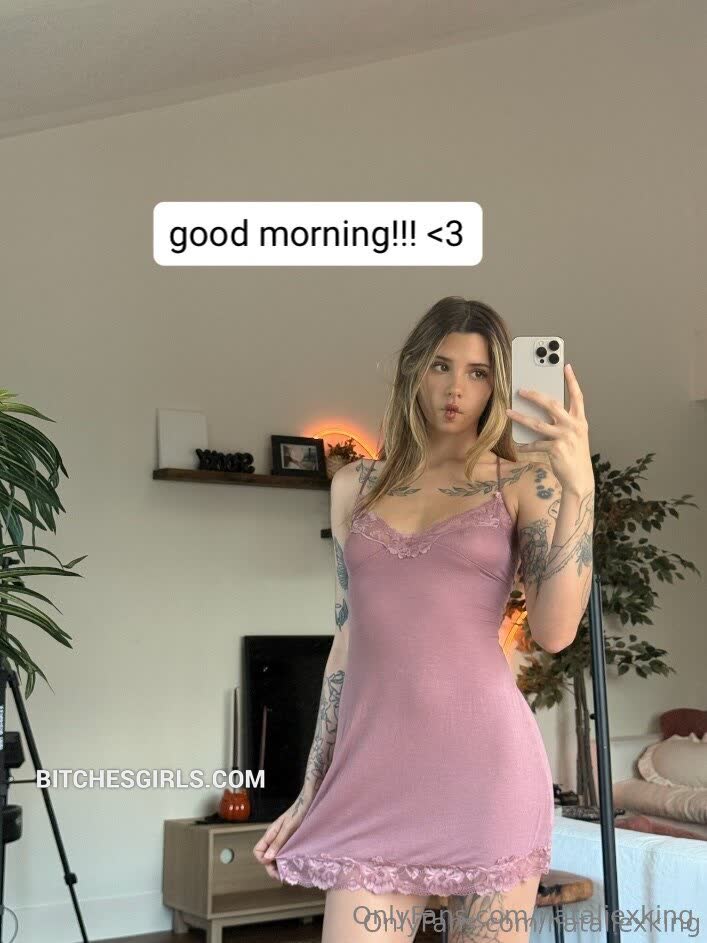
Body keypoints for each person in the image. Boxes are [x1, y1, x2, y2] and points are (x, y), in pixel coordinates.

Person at [253, 297, 595, 942]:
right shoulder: (356, 484)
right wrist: (310, 788)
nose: (456, 388)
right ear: (414, 369)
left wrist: (581, 488)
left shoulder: (525, 482)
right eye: (442, 366)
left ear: (498, 384)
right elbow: (348, 638)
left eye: (478, 372)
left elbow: (555, 632)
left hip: (487, 773)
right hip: (373, 778)